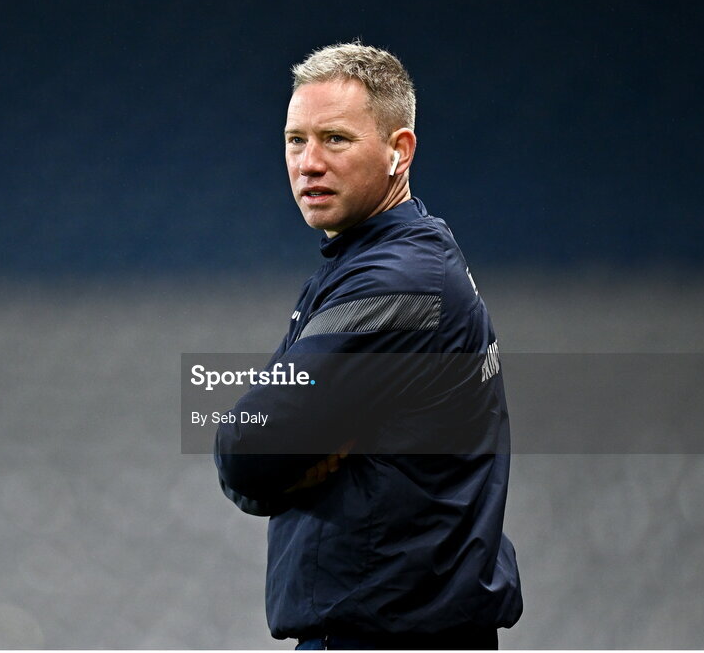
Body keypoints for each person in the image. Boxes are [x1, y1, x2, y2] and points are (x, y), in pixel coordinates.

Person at [213, 43, 523, 649]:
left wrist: (280, 456)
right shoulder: (380, 261)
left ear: (398, 151)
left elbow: (249, 448)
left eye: (335, 139)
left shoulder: (394, 284)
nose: (308, 163)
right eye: (295, 140)